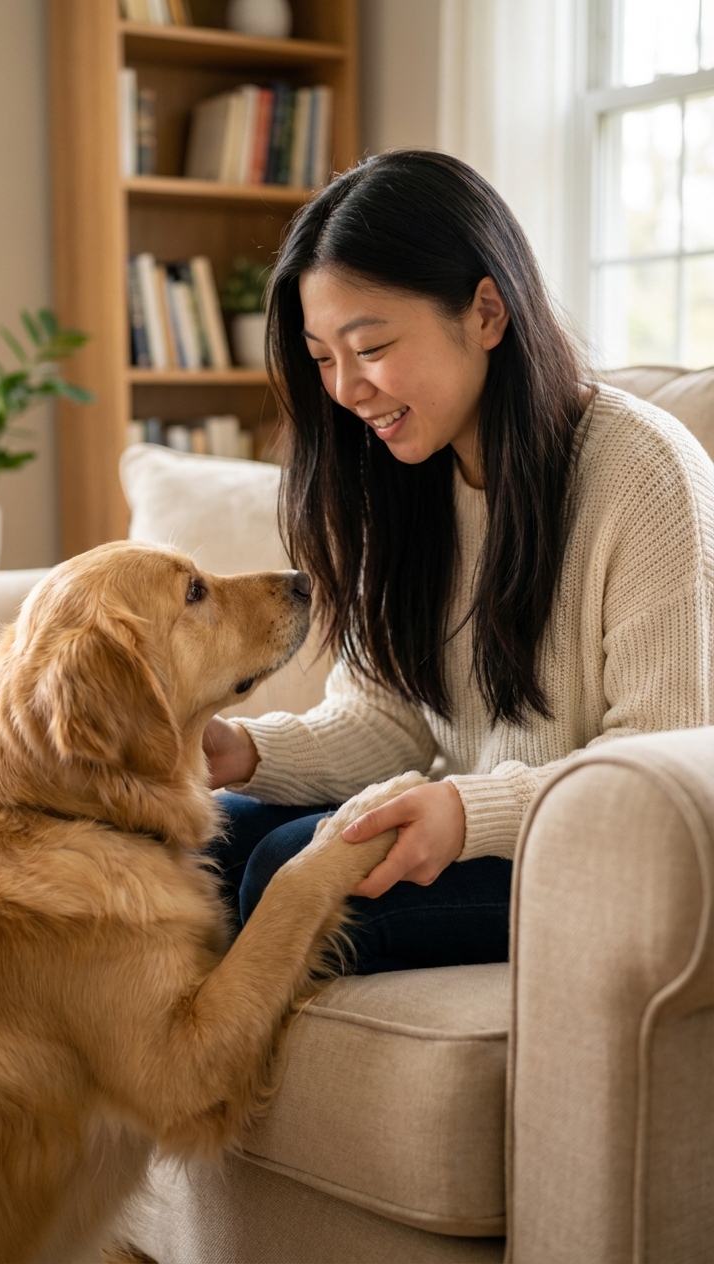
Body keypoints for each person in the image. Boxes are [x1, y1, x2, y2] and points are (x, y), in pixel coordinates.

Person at [201, 149, 714, 975]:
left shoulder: (643, 474)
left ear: (486, 313)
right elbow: (387, 721)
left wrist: (467, 813)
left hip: (607, 851)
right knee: (206, 850)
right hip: (482, 817)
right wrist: (241, 752)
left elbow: (656, 762)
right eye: (322, 357)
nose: (344, 389)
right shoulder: (403, 479)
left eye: (368, 347)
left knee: (281, 879)